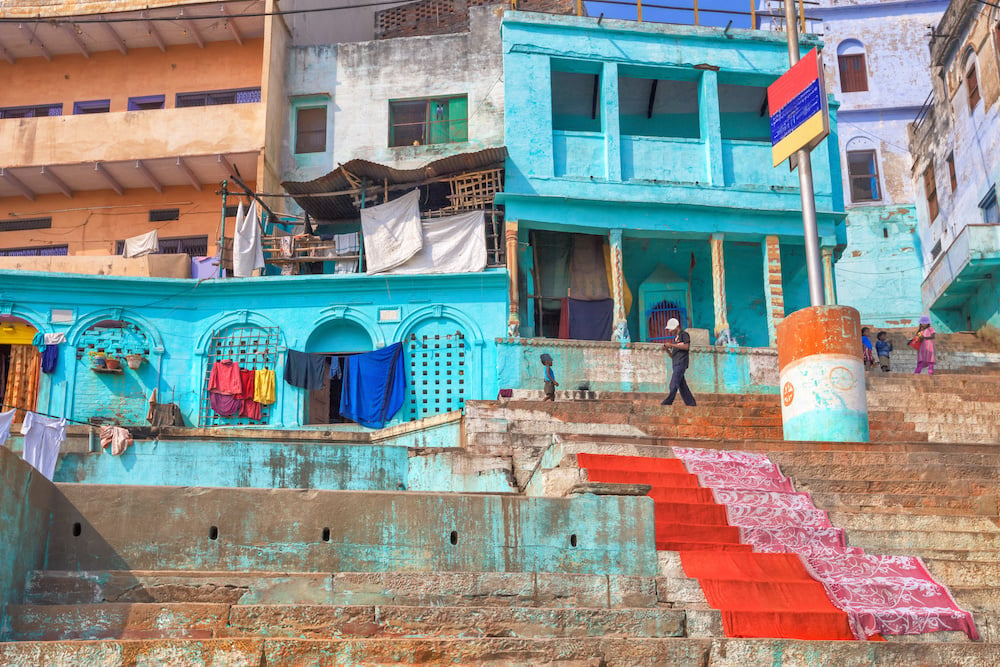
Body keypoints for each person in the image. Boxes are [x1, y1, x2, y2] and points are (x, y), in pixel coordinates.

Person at [661, 318, 696, 406]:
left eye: (671, 329)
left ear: (676, 327)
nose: (670, 331)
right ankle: (691, 403)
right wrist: (667, 350)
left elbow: (686, 347)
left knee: (674, 382)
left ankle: (668, 401)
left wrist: (672, 345)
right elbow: (673, 356)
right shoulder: (676, 340)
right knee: (682, 386)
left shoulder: (684, 335)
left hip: (681, 363)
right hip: (676, 363)